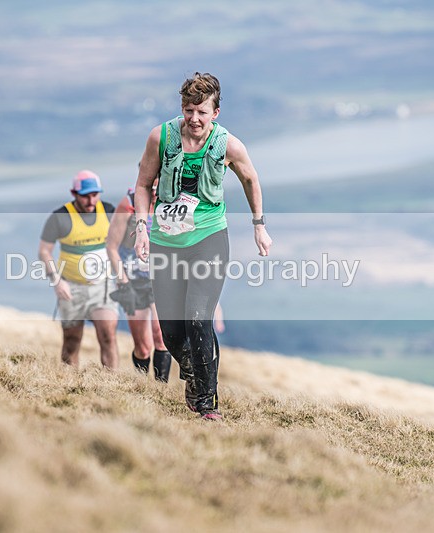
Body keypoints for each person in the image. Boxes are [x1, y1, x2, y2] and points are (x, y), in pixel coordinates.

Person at [133, 72, 273, 420]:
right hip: (165, 240)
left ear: (216, 112)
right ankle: (197, 374)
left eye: (202, 112)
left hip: (209, 239)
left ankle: (207, 406)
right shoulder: (160, 137)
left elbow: (251, 179)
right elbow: (143, 184)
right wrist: (141, 229)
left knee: (197, 319)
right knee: (171, 332)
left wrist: (259, 226)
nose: (194, 118)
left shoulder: (229, 145)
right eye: (188, 110)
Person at [38, 170, 120, 369]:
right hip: (71, 287)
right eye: (85, 196)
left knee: (108, 335)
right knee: (72, 340)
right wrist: (57, 281)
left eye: (95, 195)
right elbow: (44, 251)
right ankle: (70, 381)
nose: (91, 201)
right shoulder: (60, 217)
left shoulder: (109, 211)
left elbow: (120, 243)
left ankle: (112, 382)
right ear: (74, 193)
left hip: (103, 285)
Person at [106, 182, 172, 382]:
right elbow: (111, 247)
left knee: (161, 336)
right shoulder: (128, 204)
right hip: (133, 280)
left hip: (160, 279)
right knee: (143, 347)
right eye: (152, 187)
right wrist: (123, 281)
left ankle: (160, 389)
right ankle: (142, 385)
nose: (155, 192)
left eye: (159, 186)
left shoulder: (169, 203)